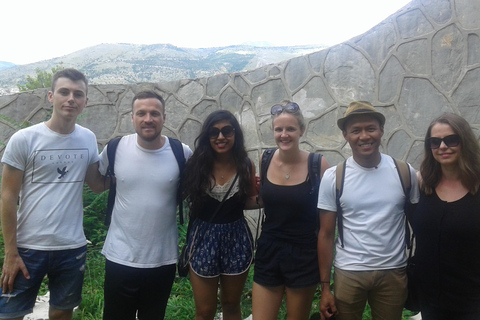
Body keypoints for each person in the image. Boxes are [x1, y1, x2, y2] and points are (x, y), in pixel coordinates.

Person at [0, 68, 102, 320]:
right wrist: (10, 252)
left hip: (72, 246)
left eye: (78, 94)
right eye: (64, 92)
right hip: (27, 246)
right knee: (9, 314)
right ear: (50, 96)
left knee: (61, 313)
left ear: (85, 102)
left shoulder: (88, 138)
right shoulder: (24, 139)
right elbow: (7, 196)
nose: (71, 99)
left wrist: (132, 164)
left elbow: (97, 184)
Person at [317, 101, 420, 320]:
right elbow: (325, 234)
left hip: (393, 270)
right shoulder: (334, 177)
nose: (364, 136)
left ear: (381, 130)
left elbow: (419, 223)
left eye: (370, 128)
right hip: (349, 271)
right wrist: (325, 287)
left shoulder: (403, 172)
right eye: (356, 130)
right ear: (345, 135)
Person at [97, 91, 192, 320]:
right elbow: (98, 181)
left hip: (163, 259)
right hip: (120, 257)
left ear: (164, 118)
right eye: (141, 113)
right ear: (132, 117)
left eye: (154, 113)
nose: (147, 119)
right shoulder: (116, 148)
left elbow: (194, 189)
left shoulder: (182, 153)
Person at [252, 101, 329, 320]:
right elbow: (263, 200)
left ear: (301, 130)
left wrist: (325, 279)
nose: (284, 135)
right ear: (273, 132)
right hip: (269, 250)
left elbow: (327, 221)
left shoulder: (318, 165)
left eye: (290, 129)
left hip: (303, 254)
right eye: (279, 129)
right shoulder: (265, 160)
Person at [182, 110, 257, 320]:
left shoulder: (246, 165)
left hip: (236, 238)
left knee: (231, 305)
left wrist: (277, 194)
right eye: (214, 132)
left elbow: (250, 199)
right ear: (207, 135)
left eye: (227, 131)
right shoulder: (196, 165)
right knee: (205, 311)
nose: (221, 137)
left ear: (235, 134)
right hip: (203, 238)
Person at [412, 113, 480, 319]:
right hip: (431, 298)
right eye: (435, 141)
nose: (442, 147)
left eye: (451, 140)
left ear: (464, 141)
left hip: (472, 299)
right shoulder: (422, 183)